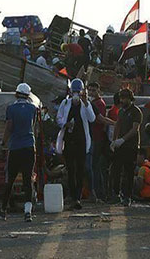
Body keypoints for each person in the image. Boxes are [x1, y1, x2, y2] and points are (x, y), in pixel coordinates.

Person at [0, 83, 38, 221]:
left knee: (10, 179)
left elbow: (9, 127)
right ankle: (28, 212)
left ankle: (3, 210)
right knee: (28, 180)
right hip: (29, 147)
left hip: (15, 147)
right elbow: (34, 127)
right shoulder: (33, 108)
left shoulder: (11, 109)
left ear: (16, 94)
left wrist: (2, 143)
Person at [56, 78, 95, 210]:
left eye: (78, 92)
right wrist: (65, 124)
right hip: (69, 140)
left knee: (80, 170)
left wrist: (86, 103)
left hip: (81, 141)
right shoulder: (65, 103)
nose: (76, 95)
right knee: (70, 170)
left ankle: (77, 197)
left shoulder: (85, 104)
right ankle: (73, 197)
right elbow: (59, 118)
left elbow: (92, 118)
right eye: (75, 92)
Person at [110, 88, 142, 206]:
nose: (122, 101)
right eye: (121, 98)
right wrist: (114, 141)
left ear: (130, 98)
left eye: (124, 98)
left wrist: (123, 139)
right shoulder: (121, 111)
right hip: (120, 146)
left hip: (131, 146)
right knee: (116, 170)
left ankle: (127, 196)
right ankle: (116, 194)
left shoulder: (135, 111)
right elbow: (117, 125)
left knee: (129, 172)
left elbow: (135, 129)